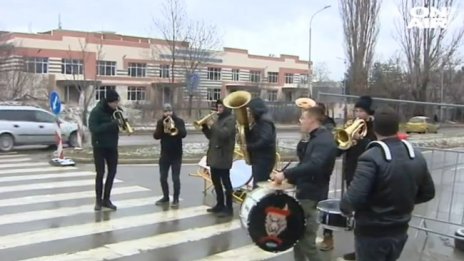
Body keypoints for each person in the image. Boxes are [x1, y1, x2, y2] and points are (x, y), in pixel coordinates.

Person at [340, 107, 435, 261]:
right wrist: (401, 201)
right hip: (400, 230)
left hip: (372, 233)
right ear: (397, 127)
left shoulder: (370, 157)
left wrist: (347, 209)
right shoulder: (415, 154)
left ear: (375, 128)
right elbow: (428, 193)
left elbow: (351, 201)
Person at [273, 106, 338, 261]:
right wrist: (288, 179)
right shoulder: (314, 138)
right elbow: (304, 163)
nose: (300, 121)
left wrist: (286, 174)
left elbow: (314, 166)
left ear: (312, 120)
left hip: (312, 195)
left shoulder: (323, 140)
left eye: (303, 118)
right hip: (306, 192)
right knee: (297, 237)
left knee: (307, 242)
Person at [319, 96, 376, 260]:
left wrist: (362, 141)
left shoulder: (373, 129)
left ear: (369, 113)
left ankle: (364, 252)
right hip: (352, 175)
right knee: (359, 216)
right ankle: (359, 250)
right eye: (356, 110)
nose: (358, 114)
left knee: (366, 216)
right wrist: (347, 141)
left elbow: (375, 148)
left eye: (361, 111)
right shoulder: (350, 127)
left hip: (367, 176)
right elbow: (338, 150)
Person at [201, 99, 236, 217]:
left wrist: (213, 125)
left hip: (223, 156)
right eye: (218, 107)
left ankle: (229, 208)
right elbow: (212, 136)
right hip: (214, 156)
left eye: (221, 107)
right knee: (216, 182)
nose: (218, 109)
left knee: (226, 183)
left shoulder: (230, 120)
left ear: (226, 108)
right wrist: (205, 127)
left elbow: (224, 135)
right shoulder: (218, 119)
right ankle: (220, 204)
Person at [88, 89, 121, 211]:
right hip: (99, 147)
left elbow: (120, 124)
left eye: (118, 102)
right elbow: (93, 128)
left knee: (112, 173)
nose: (117, 105)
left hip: (112, 147)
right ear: (109, 102)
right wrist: (111, 124)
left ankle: (106, 199)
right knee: (100, 174)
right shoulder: (97, 112)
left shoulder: (116, 111)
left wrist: (123, 123)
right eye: (115, 102)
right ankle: (98, 200)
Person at [153, 103, 187, 208]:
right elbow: (156, 136)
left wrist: (174, 127)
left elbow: (184, 134)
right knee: (163, 177)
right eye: (165, 111)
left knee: (175, 178)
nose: (167, 113)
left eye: (169, 111)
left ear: (172, 111)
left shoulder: (179, 121)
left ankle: (176, 199)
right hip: (165, 154)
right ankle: (165, 197)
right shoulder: (160, 122)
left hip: (176, 154)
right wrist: (162, 127)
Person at [245, 97, 277, 188]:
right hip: (260, 159)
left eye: (250, 110)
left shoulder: (265, 122)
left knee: (259, 186)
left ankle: (262, 202)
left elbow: (265, 140)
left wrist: (249, 146)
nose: (250, 113)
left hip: (263, 160)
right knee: (258, 185)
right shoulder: (260, 120)